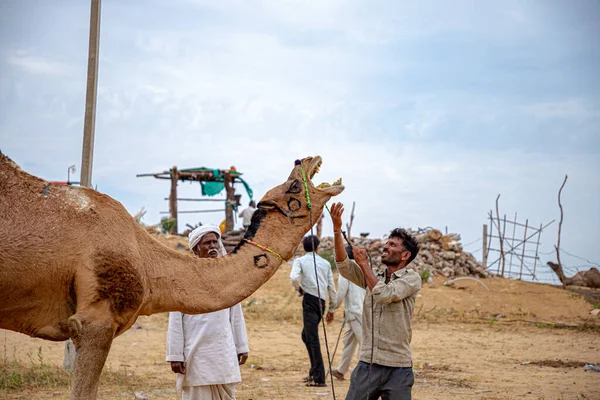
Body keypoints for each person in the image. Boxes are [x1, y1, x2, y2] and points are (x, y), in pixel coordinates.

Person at [329, 203, 422, 400]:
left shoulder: (412, 278)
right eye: (387, 243)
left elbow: (385, 294)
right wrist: (337, 230)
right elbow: (344, 266)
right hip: (368, 364)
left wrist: (363, 264)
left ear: (405, 255)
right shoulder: (375, 275)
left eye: (393, 245)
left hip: (398, 366)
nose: (386, 247)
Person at [166, 225, 249, 400]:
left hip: (223, 350)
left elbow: (236, 315)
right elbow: (175, 321)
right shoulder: (184, 279)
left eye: (215, 242)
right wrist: (175, 355)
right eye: (207, 243)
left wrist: (241, 346)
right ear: (196, 248)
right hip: (196, 353)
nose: (213, 246)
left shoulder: (227, 279)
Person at [290, 235, 337, 387]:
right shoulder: (325, 263)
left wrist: (300, 289)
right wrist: (331, 309)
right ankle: (313, 370)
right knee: (306, 335)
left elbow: (293, 278)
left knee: (312, 338)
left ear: (304, 247)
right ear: (317, 247)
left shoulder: (300, 261)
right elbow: (331, 287)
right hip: (321, 302)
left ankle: (319, 378)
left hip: (309, 300)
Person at [331, 245, 366, 381]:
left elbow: (341, 293)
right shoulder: (361, 268)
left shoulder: (346, 270)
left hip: (355, 311)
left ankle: (367, 373)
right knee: (349, 342)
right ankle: (341, 370)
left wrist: (332, 308)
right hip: (357, 312)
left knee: (363, 343)